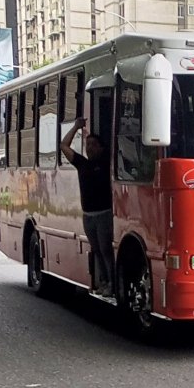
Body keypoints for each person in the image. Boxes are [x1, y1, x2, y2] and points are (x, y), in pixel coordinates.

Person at [60, 118, 115, 297]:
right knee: (97, 250)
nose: (89, 147)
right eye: (87, 144)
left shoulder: (107, 163)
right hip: (88, 215)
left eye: (93, 144)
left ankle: (112, 284)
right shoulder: (82, 163)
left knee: (106, 250)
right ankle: (104, 281)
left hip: (104, 214)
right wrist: (76, 127)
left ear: (101, 148)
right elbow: (64, 145)